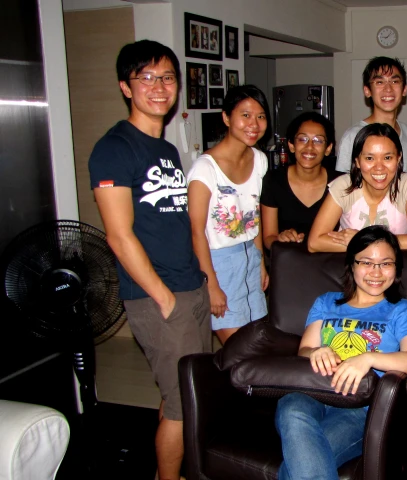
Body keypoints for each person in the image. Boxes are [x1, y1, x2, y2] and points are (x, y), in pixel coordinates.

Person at [89, 40, 210, 480]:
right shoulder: (114, 148)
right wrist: (163, 298)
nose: (159, 87)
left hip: (188, 287)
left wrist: (197, 284)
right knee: (182, 405)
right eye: (146, 77)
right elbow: (119, 237)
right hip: (160, 296)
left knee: (182, 394)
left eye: (167, 78)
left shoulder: (166, 150)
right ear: (126, 86)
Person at [275, 226, 407, 480]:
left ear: (397, 268)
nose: (376, 272)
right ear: (351, 264)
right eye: (366, 262)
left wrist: (368, 358)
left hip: (360, 408)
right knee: (290, 406)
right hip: (314, 392)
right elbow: (304, 350)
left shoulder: (401, 309)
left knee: (298, 464)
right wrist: (317, 351)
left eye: (386, 263)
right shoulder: (326, 302)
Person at [187, 85, 270, 344]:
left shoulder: (259, 160)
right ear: (226, 118)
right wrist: (211, 285)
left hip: (250, 258)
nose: (254, 124)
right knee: (237, 350)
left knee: (257, 343)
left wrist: (261, 264)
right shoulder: (205, 169)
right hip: (218, 264)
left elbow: (254, 218)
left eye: (260, 116)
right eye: (245, 115)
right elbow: (196, 232)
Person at [308, 123, 407, 252]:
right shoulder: (343, 186)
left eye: (387, 158)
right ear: (357, 161)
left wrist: (363, 240)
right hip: (350, 269)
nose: (379, 167)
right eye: (370, 158)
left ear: (398, 158)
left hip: (392, 269)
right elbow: (314, 242)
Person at [260, 112, 341, 247]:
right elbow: (268, 238)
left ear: (328, 148)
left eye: (318, 140)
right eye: (302, 139)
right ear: (291, 145)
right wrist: (279, 238)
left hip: (330, 263)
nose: (309, 147)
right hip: (288, 262)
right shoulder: (273, 180)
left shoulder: (341, 182)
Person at [335, 57, 407, 176]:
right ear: (367, 91)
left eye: (394, 81)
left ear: (404, 90)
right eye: (379, 82)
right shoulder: (353, 135)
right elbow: (342, 186)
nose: (388, 89)